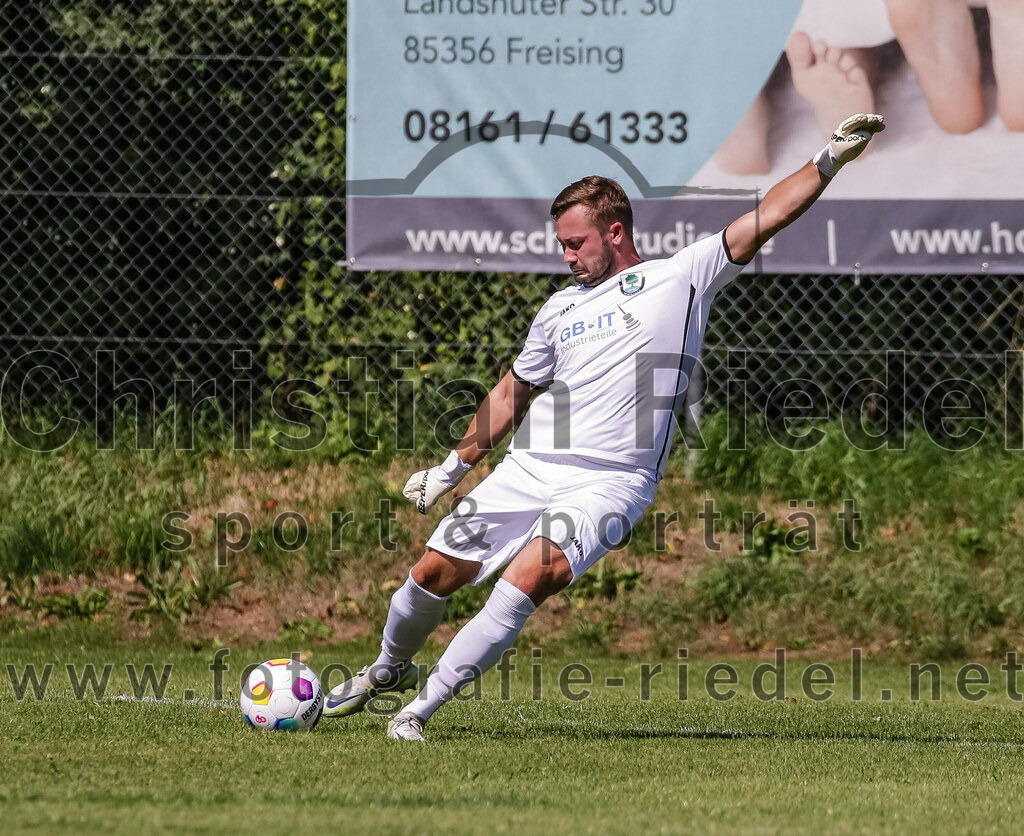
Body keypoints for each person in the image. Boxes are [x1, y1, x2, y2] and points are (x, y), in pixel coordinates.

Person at [323, 113, 886, 741]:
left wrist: (828, 160)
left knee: (524, 582)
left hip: (610, 485)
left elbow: (767, 217)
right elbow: (513, 391)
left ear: (614, 232)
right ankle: (388, 669)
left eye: (575, 244)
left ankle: (414, 716)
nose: (566, 257)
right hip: (531, 468)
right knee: (431, 573)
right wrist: (451, 469)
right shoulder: (558, 309)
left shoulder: (682, 276)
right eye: (561, 245)